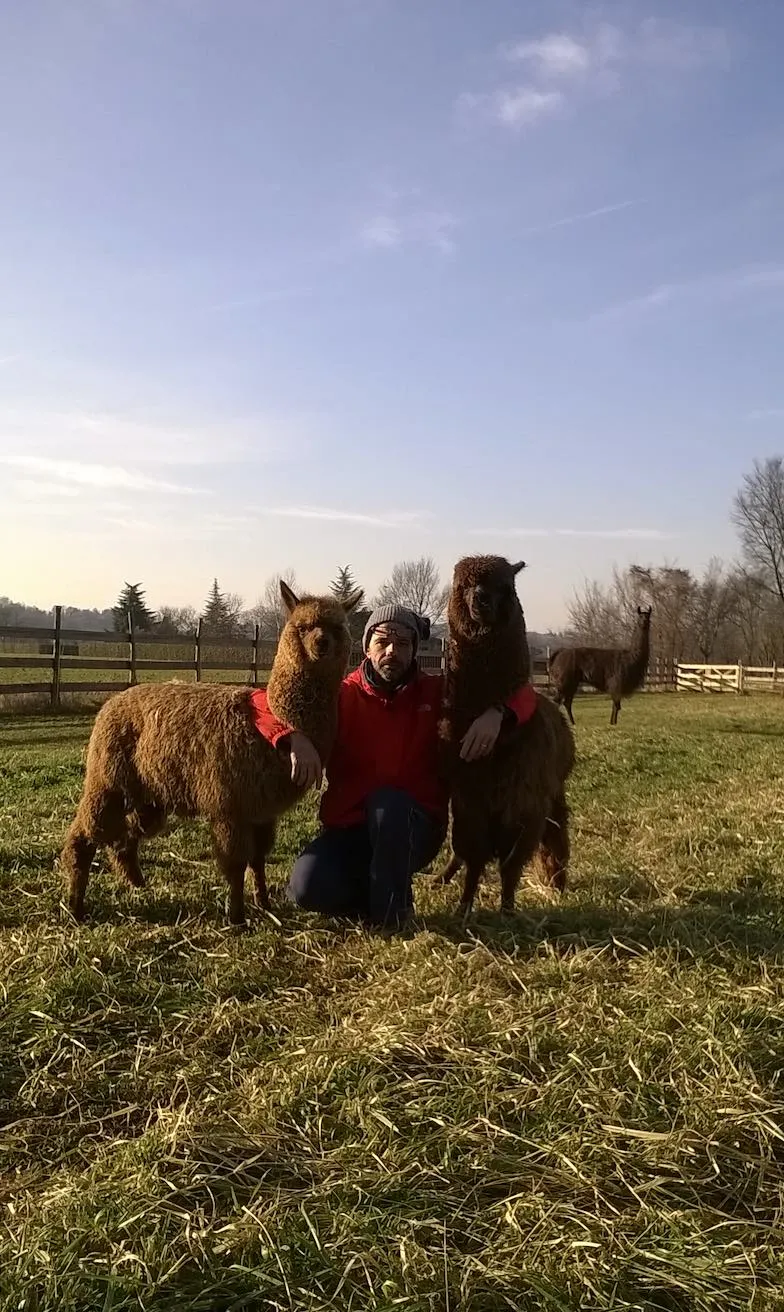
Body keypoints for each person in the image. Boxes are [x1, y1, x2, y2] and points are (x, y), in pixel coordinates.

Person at [250, 603, 537, 929]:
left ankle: (392, 917)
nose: (392, 651)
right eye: (382, 641)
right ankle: (380, 892)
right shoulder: (340, 696)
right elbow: (262, 701)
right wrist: (292, 737)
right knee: (307, 889)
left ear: (415, 649)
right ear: (366, 647)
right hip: (352, 827)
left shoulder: (439, 693)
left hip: (413, 826)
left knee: (388, 803)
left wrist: (497, 713)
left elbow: (524, 693)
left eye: (403, 644)